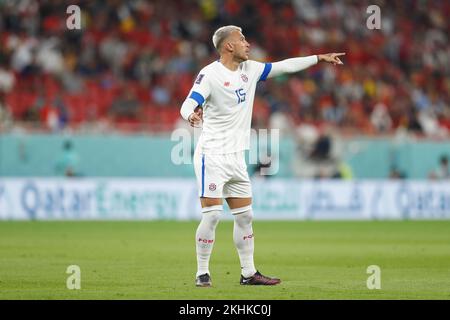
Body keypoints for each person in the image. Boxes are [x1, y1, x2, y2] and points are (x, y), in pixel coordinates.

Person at [180, 25, 345, 287]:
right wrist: (191, 114)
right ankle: (202, 272)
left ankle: (248, 273)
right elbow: (189, 102)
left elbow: (285, 66)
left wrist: (317, 58)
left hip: (236, 158)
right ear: (228, 46)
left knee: (245, 216)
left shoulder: (251, 70)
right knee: (211, 215)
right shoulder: (209, 74)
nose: (247, 43)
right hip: (212, 154)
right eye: (242, 39)